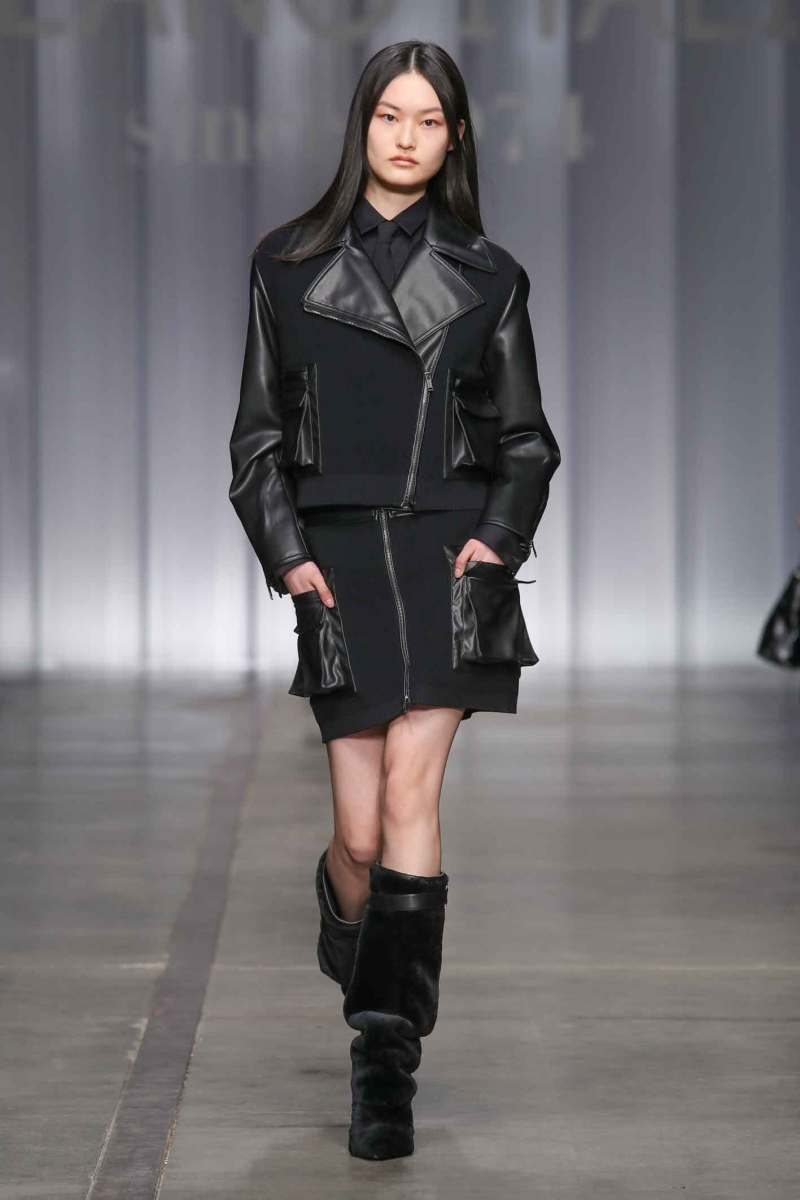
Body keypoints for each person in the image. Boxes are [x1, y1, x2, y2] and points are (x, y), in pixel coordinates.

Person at [228, 40, 561, 1160]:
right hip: (337, 563)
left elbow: (526, 441)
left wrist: (492, 544)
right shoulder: (285, 266)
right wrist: (289, 559)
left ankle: (385, 1066)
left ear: (454, 136)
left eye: (427, 119)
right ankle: (364, 945)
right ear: (360, 125)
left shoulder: (489, 276)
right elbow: (256, 440)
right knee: (359, 837)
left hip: (445, 558)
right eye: (389, 116)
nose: (406, 137)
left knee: (412, 795)